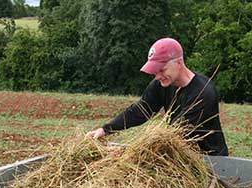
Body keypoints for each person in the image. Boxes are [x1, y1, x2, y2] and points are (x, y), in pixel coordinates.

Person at [86, 37, 228, 156]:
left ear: (178, 63)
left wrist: (127, 153)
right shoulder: (162, 84)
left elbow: (175, 136)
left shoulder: (203, 93)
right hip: (179, 155)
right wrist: (105, 129)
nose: (158, 76)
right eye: (155, 71)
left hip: (210, 160)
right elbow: (140, 110)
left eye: (162, 70)